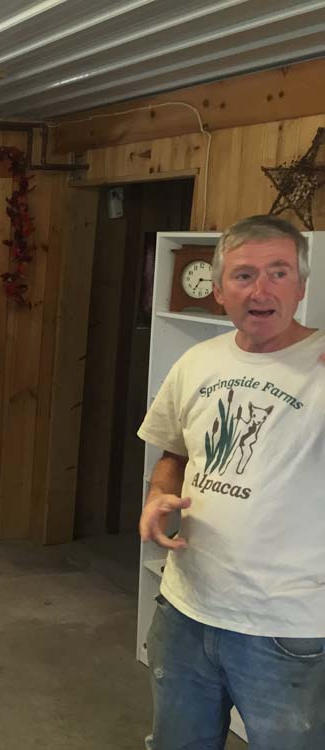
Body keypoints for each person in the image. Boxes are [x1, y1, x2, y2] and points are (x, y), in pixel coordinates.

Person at [138, 214, 325, 750]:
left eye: (278, 272)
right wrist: (156, 495)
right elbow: (174, 450)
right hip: (185, 609)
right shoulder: (197, 361)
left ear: (302, 286)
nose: (261, 290)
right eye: (243, 275)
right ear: (219, 290)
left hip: (287, 627)